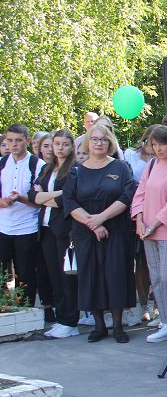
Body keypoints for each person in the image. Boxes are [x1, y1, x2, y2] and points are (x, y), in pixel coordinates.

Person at [63, 124, 137, 343]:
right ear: (87, 142)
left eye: (104, 139)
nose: (99, 143)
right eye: (94, 139)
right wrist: (94, 224)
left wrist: (102, 218)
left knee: (116, 276)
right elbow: (69, 201)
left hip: (116, 231)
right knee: (90, 277)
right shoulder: (76, 171)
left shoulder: (121, 167)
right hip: (85, 233)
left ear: (110, 143)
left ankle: (118, 327)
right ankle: (99, 326)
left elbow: (127, 196)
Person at [131, 125, 167, 345]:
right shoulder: (151, 165)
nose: (158, 148)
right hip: (147, 230)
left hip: (166, 230)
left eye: (162, 143)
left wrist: (154, 223)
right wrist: (139, 219)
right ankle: (166, 322)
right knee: (156, 279)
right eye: (154, 144)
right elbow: (140, 193)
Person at [30, 129, 79, 338]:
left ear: (71, 146)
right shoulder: (47, 168)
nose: (60, 148)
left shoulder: (75, 169)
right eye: (56, 144)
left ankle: (70, 321)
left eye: (65, 144)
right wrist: (50, 196)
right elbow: (32, 196)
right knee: (54, 276)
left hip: (64, 230)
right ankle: (61, 318)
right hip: (46, 228)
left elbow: (65, 199)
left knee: (67, 277)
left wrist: (45, 197)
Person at [0, 124, 45, 309]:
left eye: (18, 140)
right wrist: (4, 201)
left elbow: (41, 200)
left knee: (25, 274)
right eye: (10, 140)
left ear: (27, 141)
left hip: (27, 227)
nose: (13, 144)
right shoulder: (2, 163)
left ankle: (24, 311)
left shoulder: (37, 164)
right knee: (2, 274)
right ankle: (4, 309)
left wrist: (21, 198)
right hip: (3, 226)